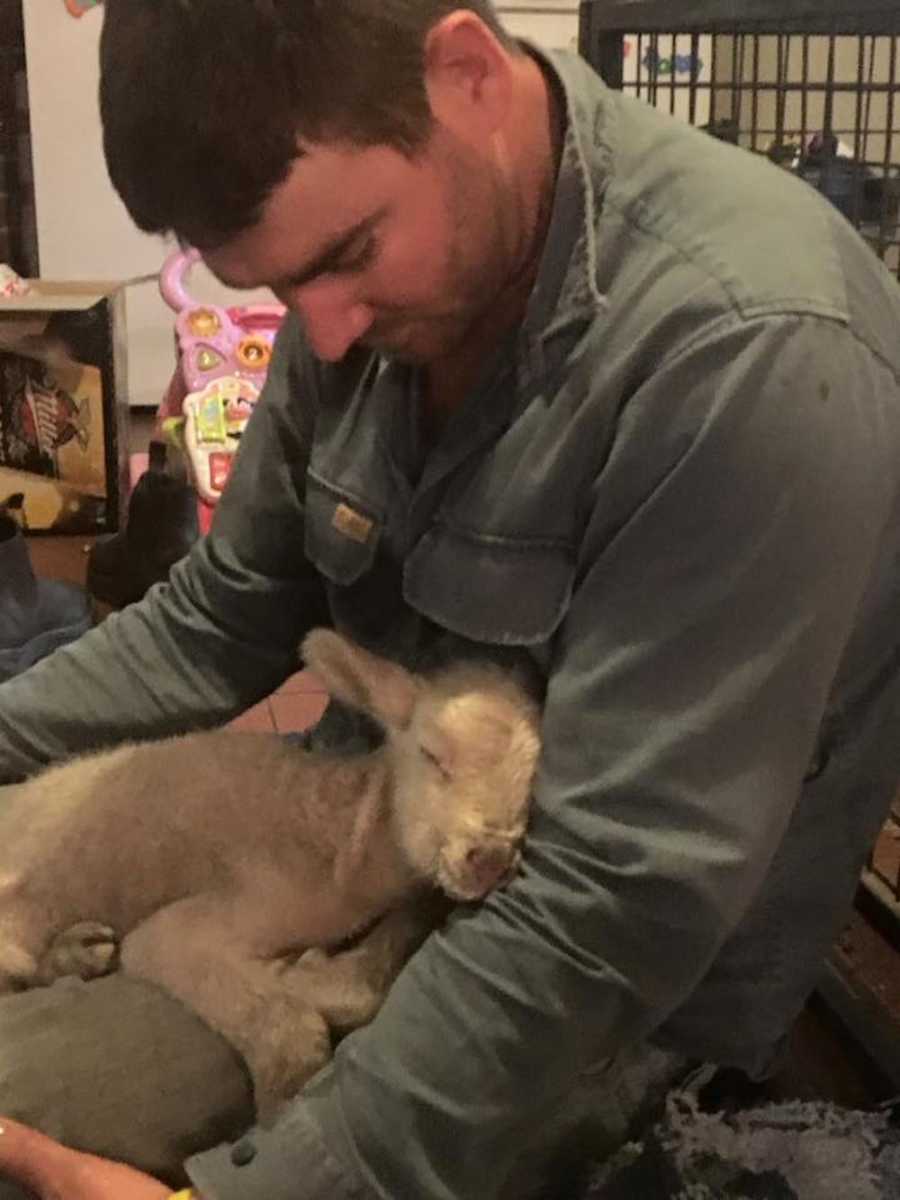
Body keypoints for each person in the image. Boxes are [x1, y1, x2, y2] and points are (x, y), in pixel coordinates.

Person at [2, 1, 900, 1197]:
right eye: (269, 286)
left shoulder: (748, 351)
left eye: (347, 255)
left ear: (468, 72)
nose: (317, 336)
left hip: (587, 989)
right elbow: (220, 617)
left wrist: (264, 1191)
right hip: (360, 853)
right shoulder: (355, 303)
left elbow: (609, 912)